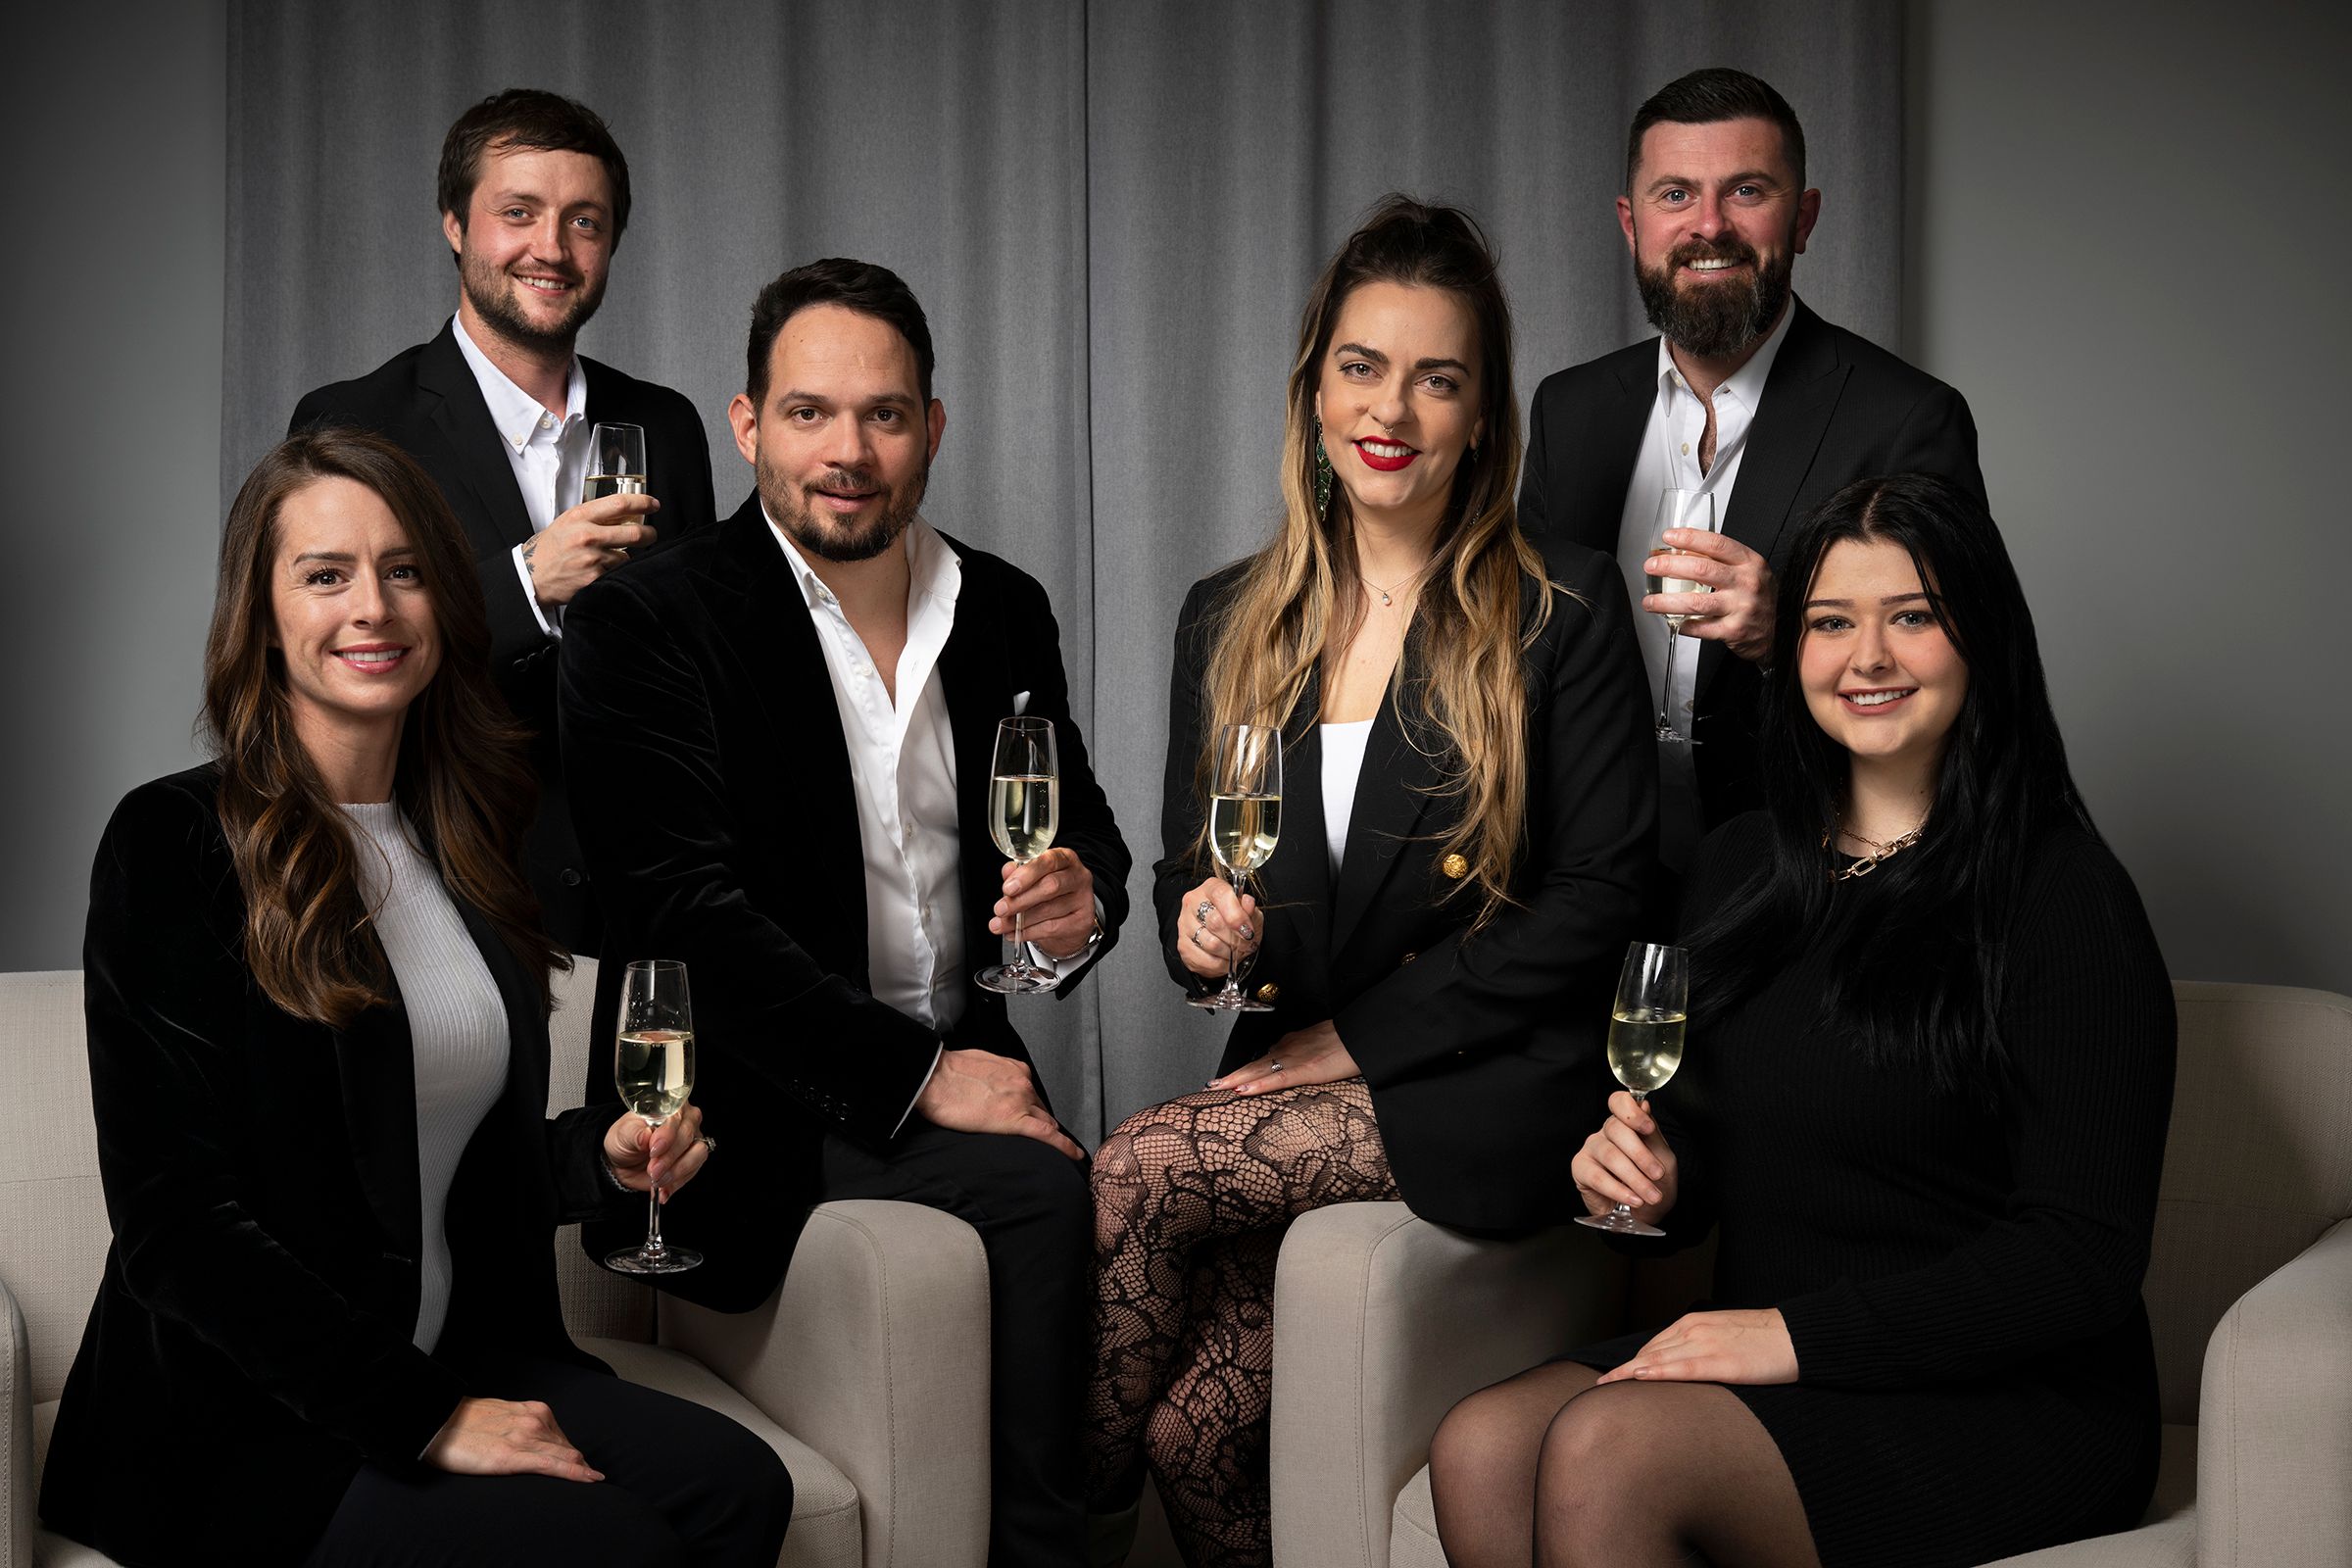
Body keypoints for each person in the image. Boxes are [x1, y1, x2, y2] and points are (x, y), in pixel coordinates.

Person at [38, 429, 792, 1567]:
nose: (373, 608)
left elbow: (426, 1155)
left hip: (457, 1353)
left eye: (404, 570)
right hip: (254, 1420)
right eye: (326, 574)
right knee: (615, 1544)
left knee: (741, 1487)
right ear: (261, 609)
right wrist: (428, 1418)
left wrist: (602, 1156)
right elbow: (177, 1231)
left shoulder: (463, 840)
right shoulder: (174, 840)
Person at [1428, 473, 2177, 1568]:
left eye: (1911, 616)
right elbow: (1720, 1160)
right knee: (1481, 1443)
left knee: (1610, 1451)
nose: (1866, 657)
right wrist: (1654, 1177)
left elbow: (2083, 1258)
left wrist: (1789, 1337)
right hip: (1778, 1351)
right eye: (1831, 622)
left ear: (1983, 637)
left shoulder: (2063, 895)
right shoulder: (1742, 864)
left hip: (2009, 1391)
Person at [1085, 196, 1656, 1566]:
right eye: (1362, 365)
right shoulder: (1229, 612)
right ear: (1315, 387)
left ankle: (1038, 1533)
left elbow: (1608, 895)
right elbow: (1191, 874)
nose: (1391, 407)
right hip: (1300, 1062)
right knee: (1194, 1434)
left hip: (1492, 1081)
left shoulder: (1558, 607)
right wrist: (1205, 932)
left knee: (1139, 1166)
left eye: (1436, 376)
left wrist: (1362, 1039)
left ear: (1479, 414)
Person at [559, 258, 1130, 1568]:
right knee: (1047, 1202)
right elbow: (682, 913)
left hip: (959, 1068)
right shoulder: (645, 622)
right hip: (745, 1110)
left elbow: (1081, 826)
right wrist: (925, 1080)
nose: (849, 451)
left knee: (1122, 1202)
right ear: (748, 424)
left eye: (884, 414)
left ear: (932, 428)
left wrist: (1074, 906)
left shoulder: (1003, 607)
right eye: (810, 413)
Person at [1519, 68, 1986, 866]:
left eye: (1746, 191)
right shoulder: (1568, 410)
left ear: (1802, 219)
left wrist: (1793, 632)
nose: (1708, 226)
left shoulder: (1910, 419)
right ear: (1631, 225)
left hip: (1806, 878)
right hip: (1585, 878)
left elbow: (1965, 681)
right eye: (1675, 195)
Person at [290, 87, 717, 956]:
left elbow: (697, 675)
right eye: (517, 213)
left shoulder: (667, 424)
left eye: (584, 222)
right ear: (455, 223)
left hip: (645, 911)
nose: (551, 250)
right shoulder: (355, 425)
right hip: (437, 899)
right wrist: (526, 583)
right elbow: (322, 659)